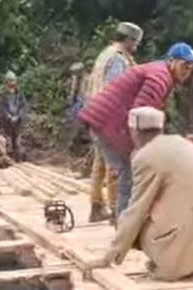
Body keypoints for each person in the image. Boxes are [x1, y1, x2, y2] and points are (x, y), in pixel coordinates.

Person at [89, 107, 193, 281]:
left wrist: (110, 255)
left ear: (134, 132)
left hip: (191, 237)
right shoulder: (183, 143)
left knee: (139, 224)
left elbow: (136, 210)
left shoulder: (146, 157)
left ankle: (175, 260)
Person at [78, 42, 193, 223]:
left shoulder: (159, 73)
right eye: (184, 65)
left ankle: (126, 220)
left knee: (129, 172)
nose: (187, 70)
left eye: (191, 67)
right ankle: (124, 226)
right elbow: (139, 115)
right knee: (128, 174)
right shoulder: (160, 78)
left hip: (106, 122)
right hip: (109, 125)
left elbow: (149, 117)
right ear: (171, 61)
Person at [85, 22, 143, 224]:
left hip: (95, 114)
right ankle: (117, 211)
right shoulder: (118, 60)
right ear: (128, 40)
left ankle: (96, 206)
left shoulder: (105, 54)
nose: (136, 46)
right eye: (135, 42)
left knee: (100, 162)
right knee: (117, 165)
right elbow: (116, 90)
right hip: (109, 117)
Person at [0, 70, 29, 161]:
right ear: (6, 82)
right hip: (7, 122)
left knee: (18, 141)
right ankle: (9, 160)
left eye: (13, 81)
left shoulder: (20, 94)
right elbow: (2, 107)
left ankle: (19, 160)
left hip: (19, 121)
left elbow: (24, 106)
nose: (12, 83)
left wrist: (18, 116)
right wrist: (8, 116)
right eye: (10, 81)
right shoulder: (3, 95)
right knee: (8, 142)